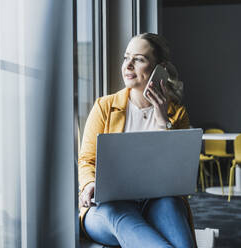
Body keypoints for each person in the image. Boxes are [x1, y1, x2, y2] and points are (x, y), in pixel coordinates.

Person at [78, 33, 196, 248]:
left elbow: (177, 176)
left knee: (171, 206)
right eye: (126, 58)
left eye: (139, 59)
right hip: (107, 209)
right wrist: (89, 184)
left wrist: (162, 121)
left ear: (159, 69)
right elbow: (86, 159)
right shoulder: (104, 107)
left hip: (158, 203)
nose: (128, 65)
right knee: (119, 215)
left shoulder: (176, 114)